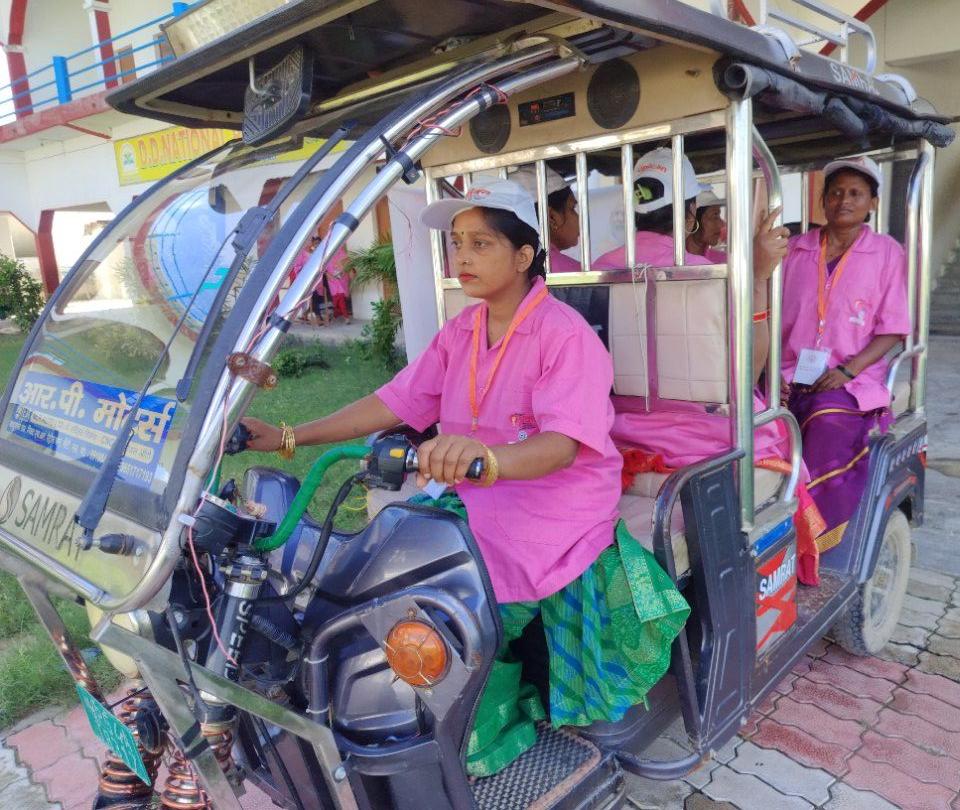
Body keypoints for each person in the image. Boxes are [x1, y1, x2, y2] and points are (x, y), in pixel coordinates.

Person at [240, 179, 688, 778]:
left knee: (459, 611)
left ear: (524, 256)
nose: (463, 257)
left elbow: (561, 447)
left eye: (481, 243)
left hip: (555, 506)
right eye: (457, 243)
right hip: (476, 496)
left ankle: (488, 732)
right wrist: (289, 436)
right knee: (385, 578)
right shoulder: (462, 331)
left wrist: (486, 458)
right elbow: (395, 401)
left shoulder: (565, 335)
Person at [594, 147, 824, 584]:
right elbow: (749, 369)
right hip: (706, 440)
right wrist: (758, 278)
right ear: (690, 215)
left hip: (617, 431)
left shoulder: (597, 269)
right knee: (777, 427)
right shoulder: (708, 276)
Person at [780, 155, 910, 554]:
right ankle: (769, 530)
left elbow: (893, 328)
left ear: (873, 202)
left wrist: (847, 371)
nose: (844, 201)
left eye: (856, 193)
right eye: (835, 193)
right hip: (788, 370)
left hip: (853, 377)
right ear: (823, 201)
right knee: (757, 425)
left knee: (825, 426)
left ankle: (814, 537)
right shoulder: (795, 248)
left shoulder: (887, 253)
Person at [514, 165, 581, 272]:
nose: (579, 218)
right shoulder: (573, 272)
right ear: (552, 217)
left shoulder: (507, 265)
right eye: (572, 208)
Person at [686, 189, 727, 263]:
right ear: (693, 219)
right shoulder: (672, 261)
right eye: (715, 216)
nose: (722, 224)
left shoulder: (724, 261)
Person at [323, 243, 353, 323]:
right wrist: (328, 275)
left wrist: (342, 271)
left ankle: (343, 316)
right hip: (332, 280)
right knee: (336, 298)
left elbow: (347, 264)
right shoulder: (327, 255)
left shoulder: (342, 252)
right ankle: (337, 314)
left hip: (341, 279)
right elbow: (323, 269)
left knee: (340, 297)